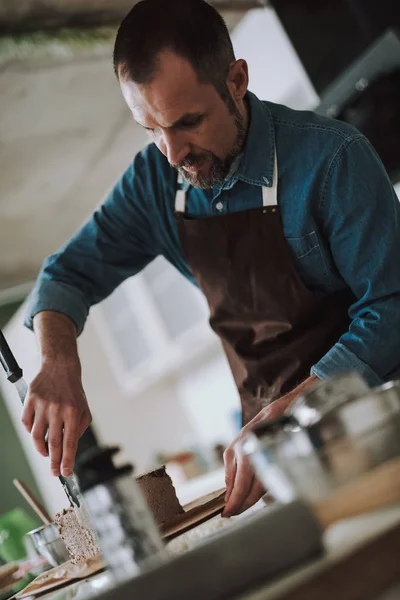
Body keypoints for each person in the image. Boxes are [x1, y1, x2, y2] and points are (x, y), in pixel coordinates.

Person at [22, 0, 400, 518]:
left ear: (237, 80)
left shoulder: (333, 159)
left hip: (377, 436)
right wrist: (57, 358)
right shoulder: (155, 182)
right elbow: (66, 273)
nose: (173, 153)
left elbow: (392, 306)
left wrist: (293, 410)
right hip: (273, 466)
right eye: (151, 130)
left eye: (188, 122)